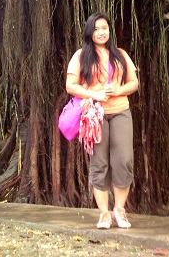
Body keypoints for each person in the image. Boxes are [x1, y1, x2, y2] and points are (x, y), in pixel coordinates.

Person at [66, 12, 139, 229]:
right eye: (96, 28)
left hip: (120, 111)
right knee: (99, 163)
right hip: (94, 115)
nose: (101, 32)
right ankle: (104, 214)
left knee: (124, 160)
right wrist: (94, 95)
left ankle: (120, 210)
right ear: (90, 32)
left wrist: (117, 90)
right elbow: (70, 86)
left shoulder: (121, 55)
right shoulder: (81, 56)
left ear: (109, 30)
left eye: (104, 28)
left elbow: (134, 83)